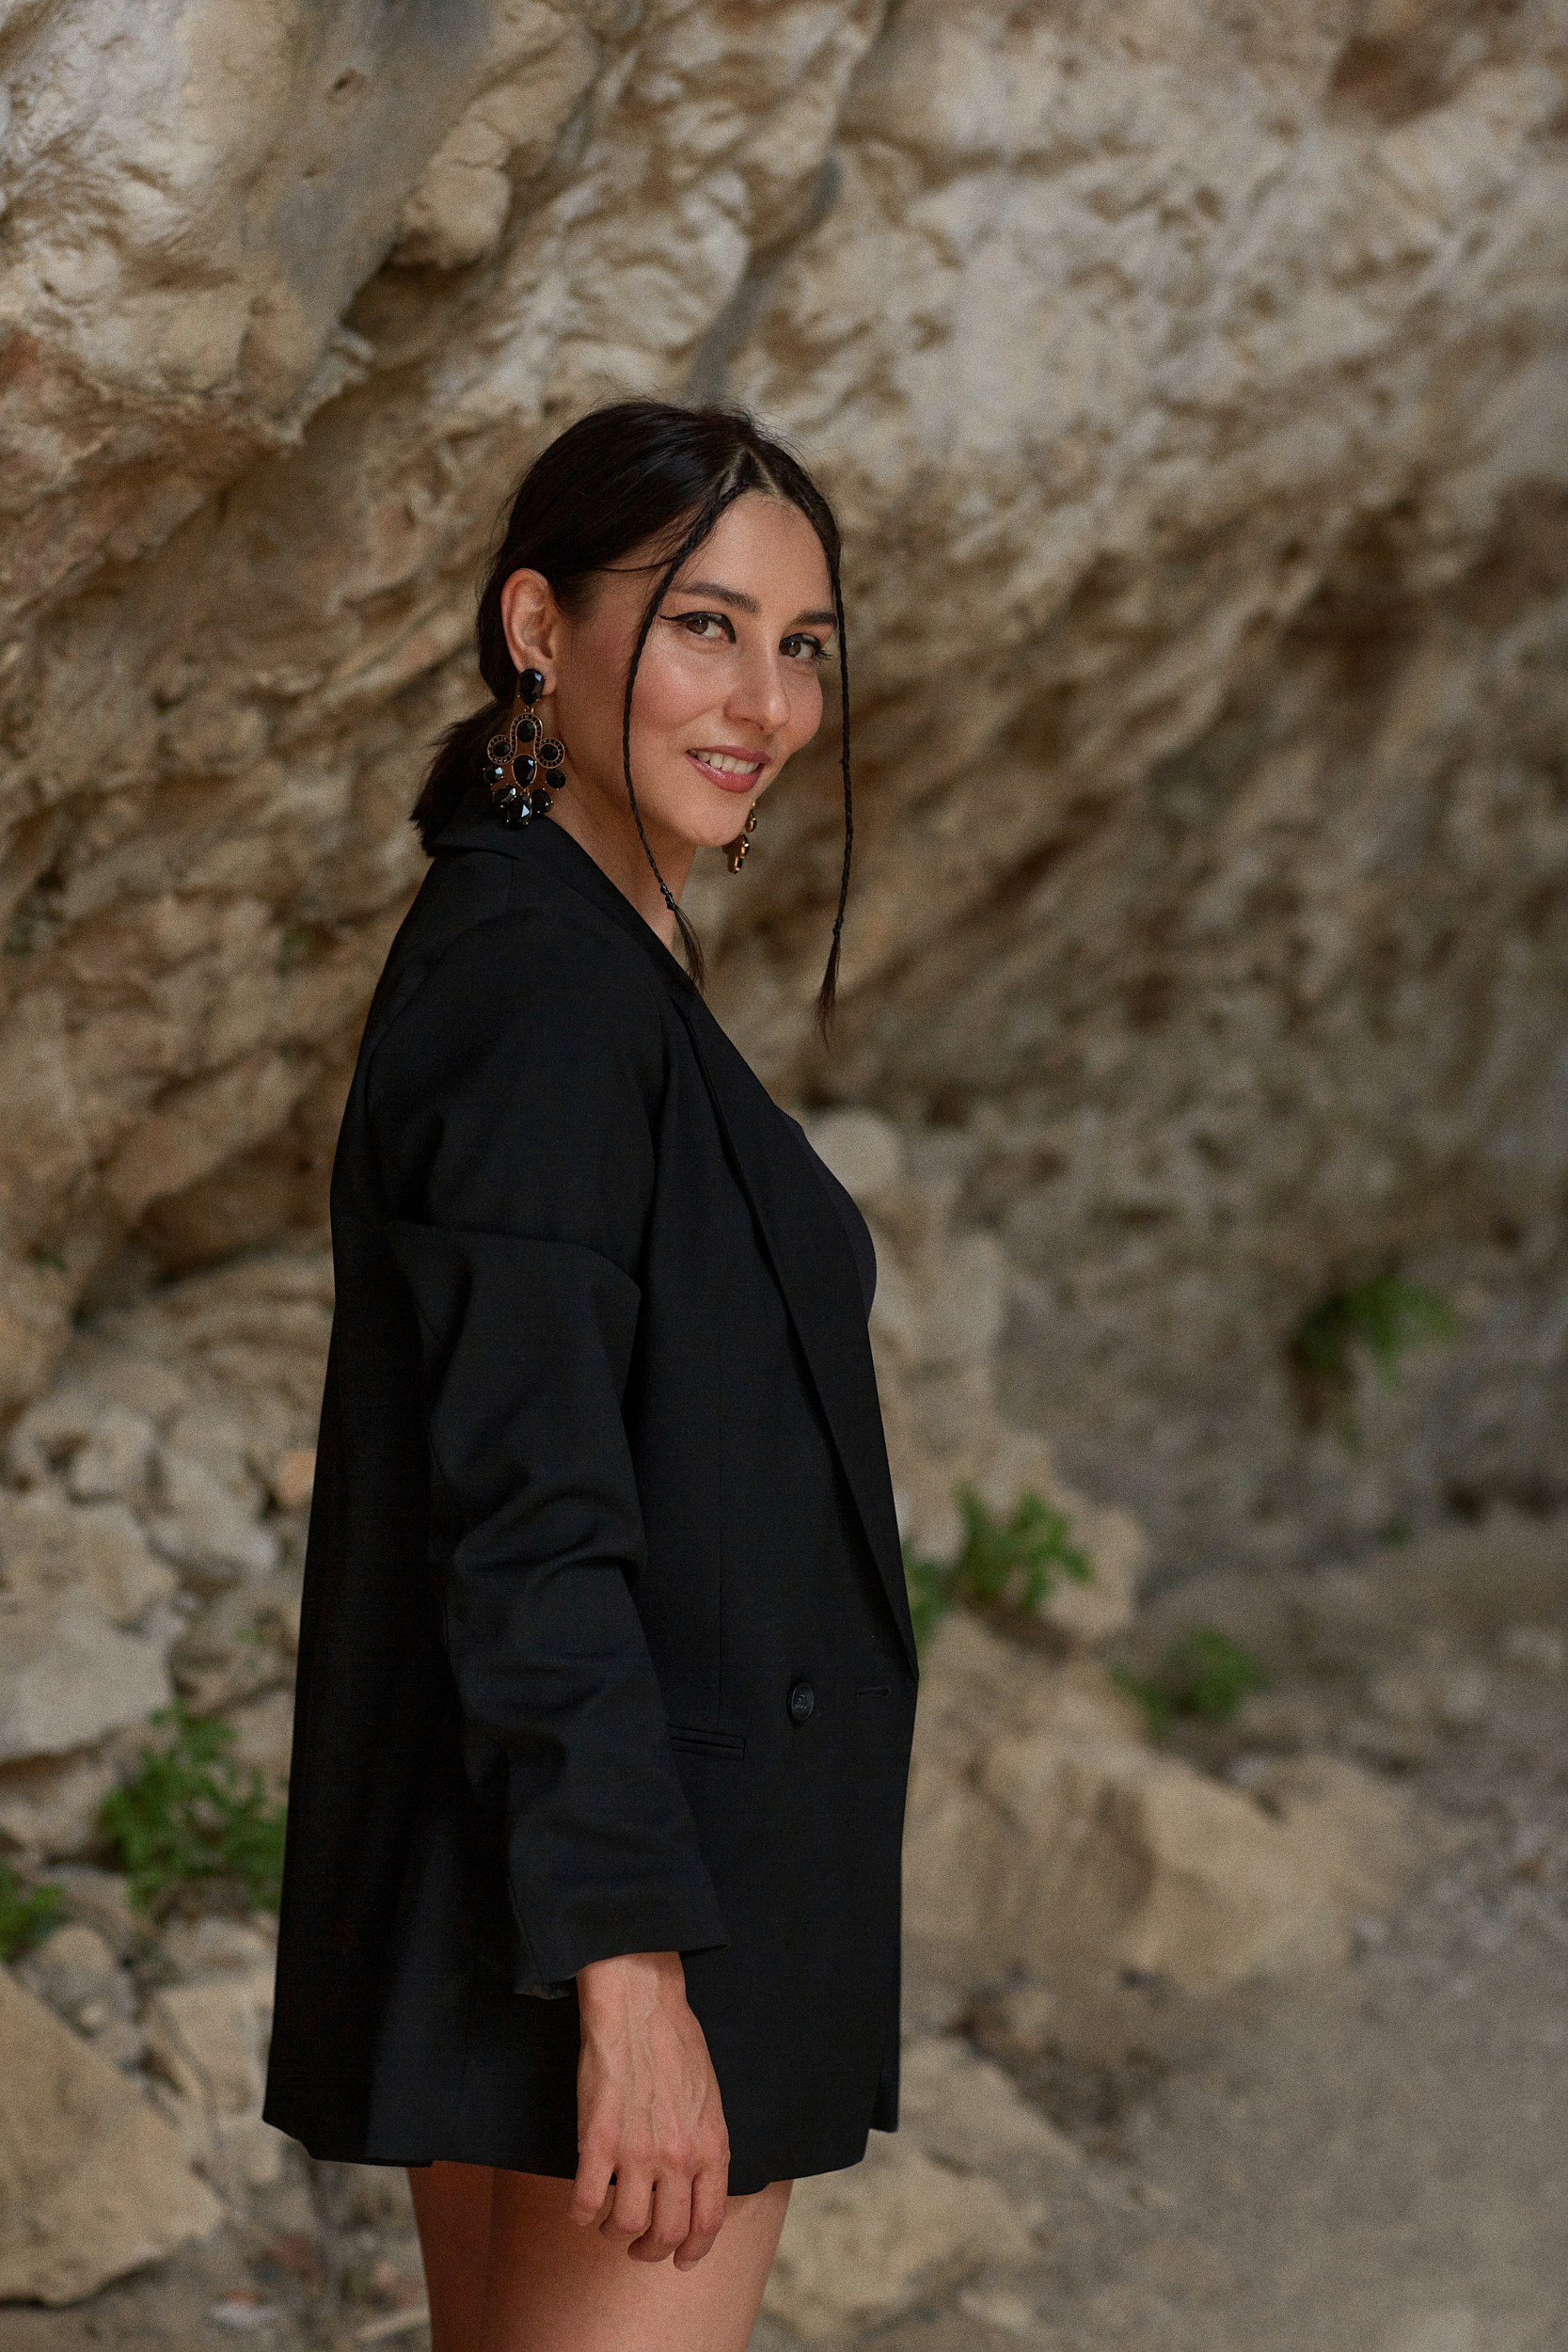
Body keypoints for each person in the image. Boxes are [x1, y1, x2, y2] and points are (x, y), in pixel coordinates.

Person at [262, 400, 919, 2352]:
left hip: (569, 1871)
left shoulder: (574, 951)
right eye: (706, 624)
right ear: (537, 626)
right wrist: (635, 1981)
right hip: (625, 1898)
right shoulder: (542, 984)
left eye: (803, 645)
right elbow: (525, 1506)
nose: (767, 702)